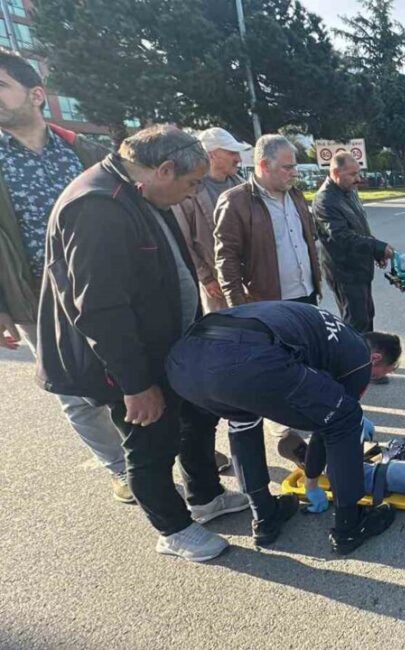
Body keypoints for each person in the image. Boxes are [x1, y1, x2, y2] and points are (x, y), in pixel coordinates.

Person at [36, 126, 249, 561]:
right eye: (190, 185)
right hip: (127, 360)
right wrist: (135, 384)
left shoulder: (140, 192)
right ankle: (173, 530)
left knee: (195, 419)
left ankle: (206, 497)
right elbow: (100, 308)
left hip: (167, 346)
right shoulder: (98, 206)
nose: (193, 196)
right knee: (151, 441)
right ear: (164, 168)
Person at [0, 53, 132, 503]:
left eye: (2, 86)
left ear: (36, 95)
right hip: (35, 299)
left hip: (105, 288)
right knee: (74, 391)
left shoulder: (85, 152)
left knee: (132, 370)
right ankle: (121, 468)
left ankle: (161, 446)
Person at [166, 300, 401, 553]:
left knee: (243, 418)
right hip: (249, 355)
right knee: (345, 417)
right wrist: (311, 483)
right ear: (375, 358)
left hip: (184, 362)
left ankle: (265, 517)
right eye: (385, 372)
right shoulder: (358, 359)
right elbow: (329, 427)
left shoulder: (333, 332)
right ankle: (350, 526)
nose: (378, 378)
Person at [214, 134, 321, 307]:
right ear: (264, 165)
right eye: (287, 167)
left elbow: (310, 240)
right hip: (268, 303)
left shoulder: (296, 196)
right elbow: (227, 260)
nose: (295, 173)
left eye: (295, 166)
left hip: (307, 295)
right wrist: (239, 307)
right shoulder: (235, 202)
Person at [312, 151, 394, 334]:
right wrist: (376, 247)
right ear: (335, 173)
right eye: (352, 174)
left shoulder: (349, 191)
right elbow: (341, 237)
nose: (358, 179)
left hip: (360, 268)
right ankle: (356, 362)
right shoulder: (325, 200)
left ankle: (368, 358)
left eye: (358, 173)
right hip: (345, 272)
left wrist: (375, 252)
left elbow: (360, 227)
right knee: (355, 325)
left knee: (366, 317)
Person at [171, 127, 249, 314]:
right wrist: (206, 278)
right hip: (217, 285)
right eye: (231, 152)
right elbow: (183, 240)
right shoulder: (190, 190)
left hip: (247, 279)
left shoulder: (241, 186)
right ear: (212, 155)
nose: (238, 158)